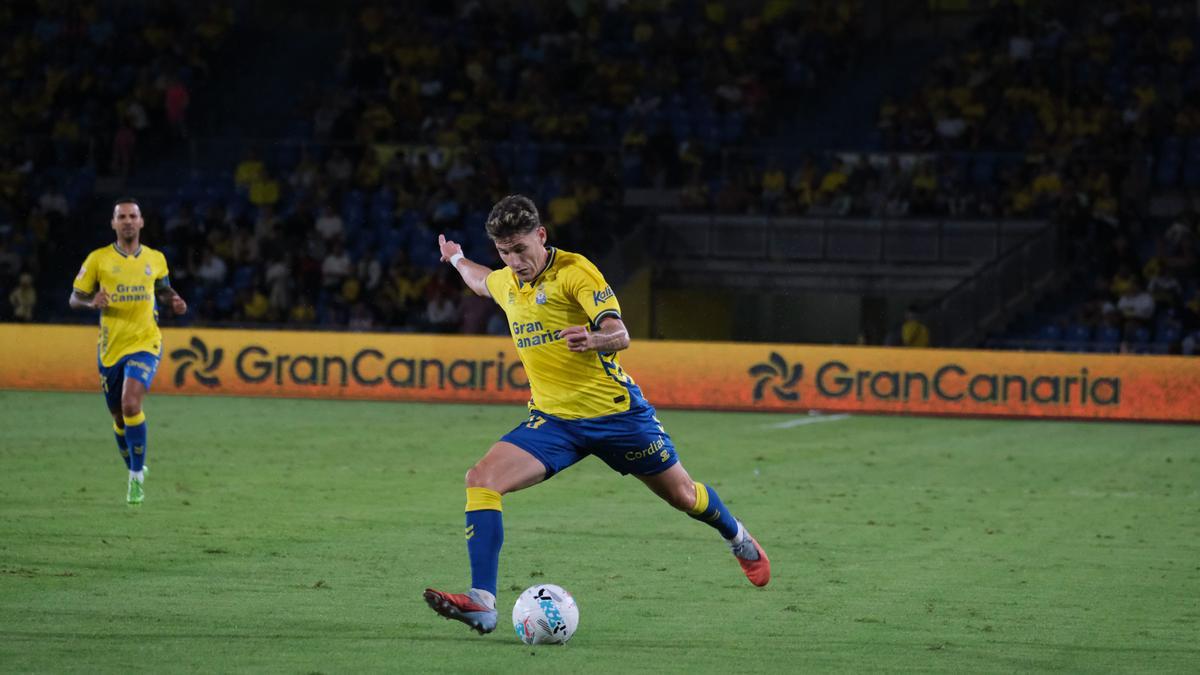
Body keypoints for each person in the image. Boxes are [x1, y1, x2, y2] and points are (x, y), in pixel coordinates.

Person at [423, 195, 770, 635]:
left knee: (683, 496)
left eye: (521, 250)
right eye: (505, 252)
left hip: (616, 418)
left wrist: (593, 340)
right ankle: (482, 602)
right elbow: (482, 281)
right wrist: (456, 259)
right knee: (481, 480)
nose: (515, 261)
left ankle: (737, 536)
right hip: (554, 422)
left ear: (541, 236)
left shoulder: (575, 272)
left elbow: (619, 333)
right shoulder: (508, 281)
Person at [69, 198, 187, 505]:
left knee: (131, 403)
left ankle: (135, 480)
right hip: (110, 349)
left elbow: (163, 289)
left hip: (146, 342)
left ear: (142, 221)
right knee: (119, 417)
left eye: (132, 216)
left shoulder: (156, 258)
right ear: (113, 224)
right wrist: (90, 302)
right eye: (121, 217)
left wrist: (174, 300)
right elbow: (74, 298)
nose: (127, 221)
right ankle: (135, 466)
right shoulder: (98, 260)